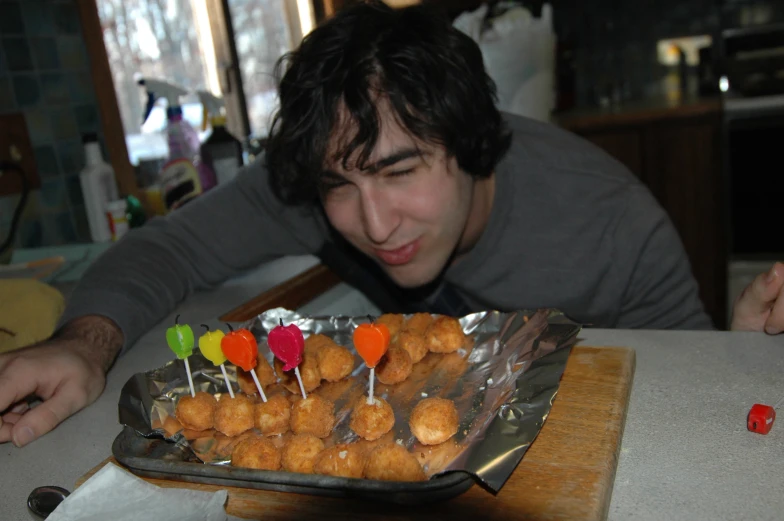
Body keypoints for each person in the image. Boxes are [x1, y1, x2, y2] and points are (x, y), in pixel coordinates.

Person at [1, 1, 781, 448]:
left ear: (473, 143)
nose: (373, 223)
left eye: (403, 171)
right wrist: (86, 342)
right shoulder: (318, 177)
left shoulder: (614, 224)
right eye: (340, 185)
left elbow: (701, 400)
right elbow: (167, 245)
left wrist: (744, 359)